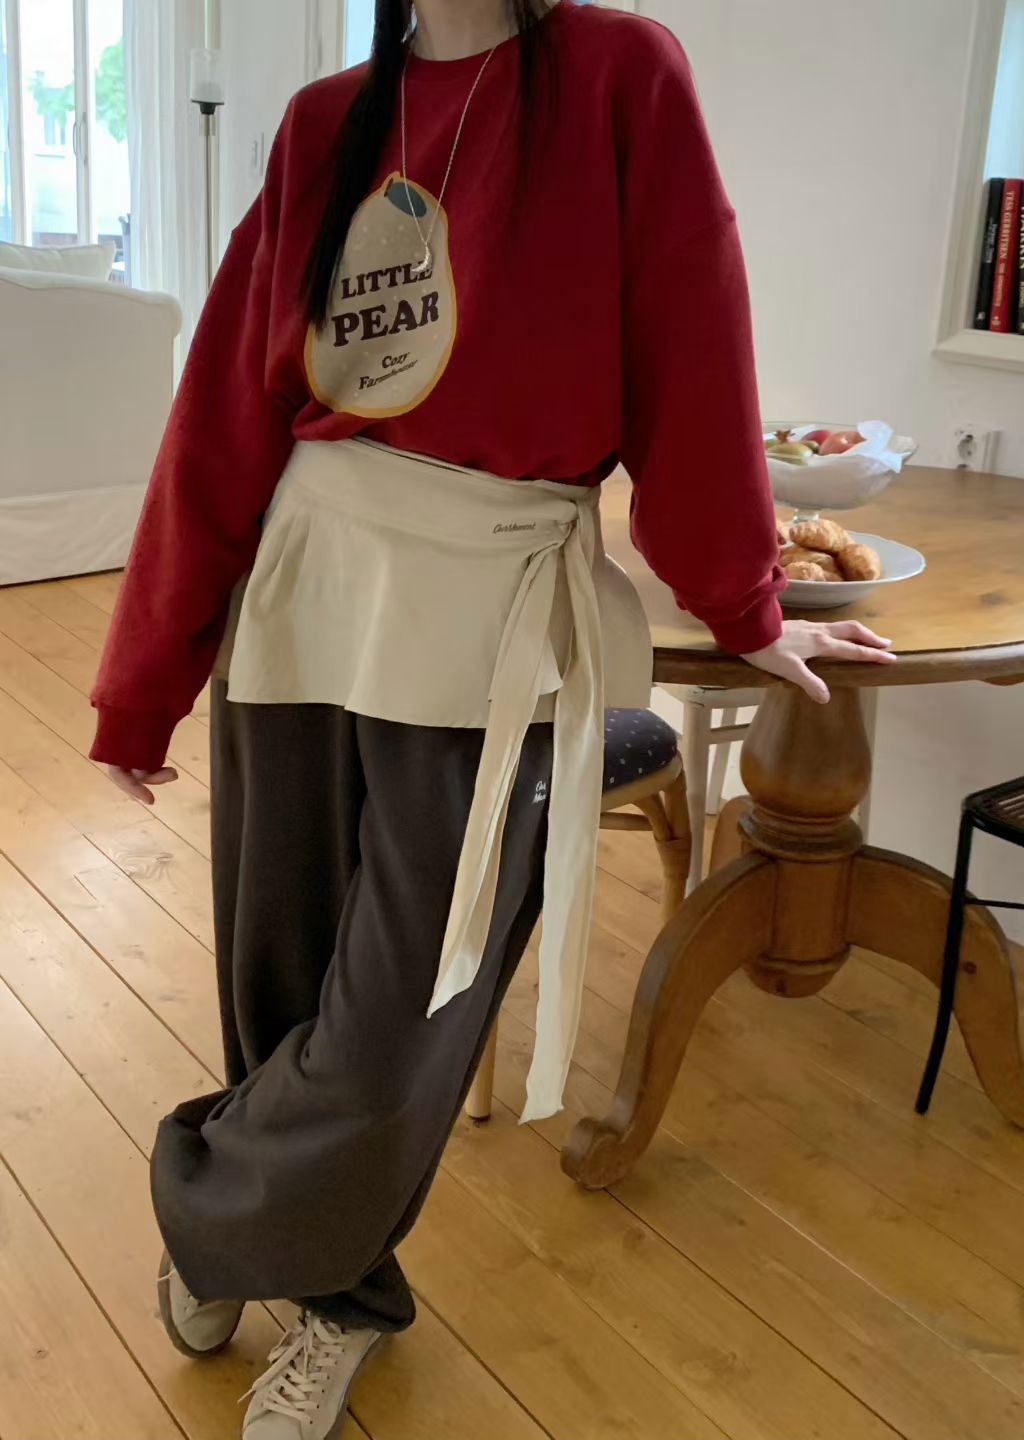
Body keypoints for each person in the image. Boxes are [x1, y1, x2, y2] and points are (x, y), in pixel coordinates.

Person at [90, 1, 895, 1434]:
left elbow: (693, 339)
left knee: (404, 1011)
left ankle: (215, 1216)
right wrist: (148, 674)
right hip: (306, 586)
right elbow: (224, 406)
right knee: (280, 978)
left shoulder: (620, 76)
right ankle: (335, 1290)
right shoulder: (324, 121)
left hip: (493, 616)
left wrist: (747, 602)